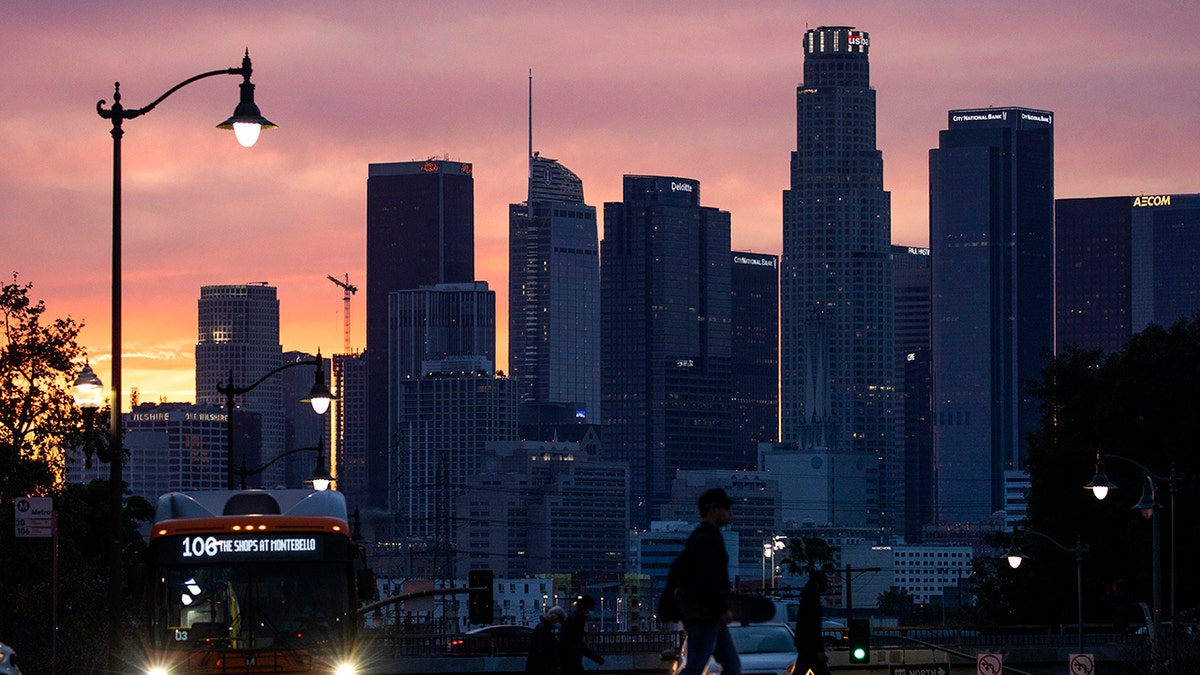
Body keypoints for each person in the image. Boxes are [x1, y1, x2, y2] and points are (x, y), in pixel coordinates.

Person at [677, 488, 741, 675]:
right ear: (713, 510)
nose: (730, 513)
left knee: (731, 666)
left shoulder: (702, 537)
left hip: (707, 613)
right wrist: (721, 609)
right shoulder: (708, 539)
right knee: (696, 667)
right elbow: (707, 580)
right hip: (705, 614)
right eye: (726, 508)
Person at [793, 570, 830, 675]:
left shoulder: (806, 599)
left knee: (800, 670)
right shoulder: (813, 602)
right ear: (817, 583)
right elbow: (814, 627)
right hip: (811, 647)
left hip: (805, 645)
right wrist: (820, 649)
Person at [560, 594, 605, 674]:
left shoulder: (574, 619)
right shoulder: (576, 621)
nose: (592, 611)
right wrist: (596, 658)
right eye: (591, 608)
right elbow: (578, 644)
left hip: (569, 660)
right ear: (585, 608)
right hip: (571, 661)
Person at [525, 605, 567, 675]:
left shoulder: (542, 627)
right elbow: (544, 652)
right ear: (555, 617)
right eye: (559, 620)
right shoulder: (544, 630)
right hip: (540, 668)